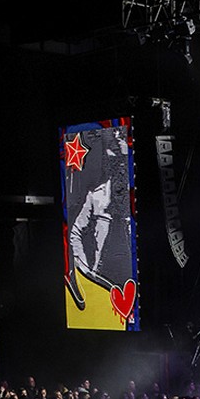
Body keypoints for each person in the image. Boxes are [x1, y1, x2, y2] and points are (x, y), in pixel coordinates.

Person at [65, 126, 132, 312]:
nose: (119, 164)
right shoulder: (96, 195)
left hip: (129, 273)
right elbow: (75, 233)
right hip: (101, 275)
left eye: (122, 160)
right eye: (114, 158)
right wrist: (86, 270)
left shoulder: (133, 197)